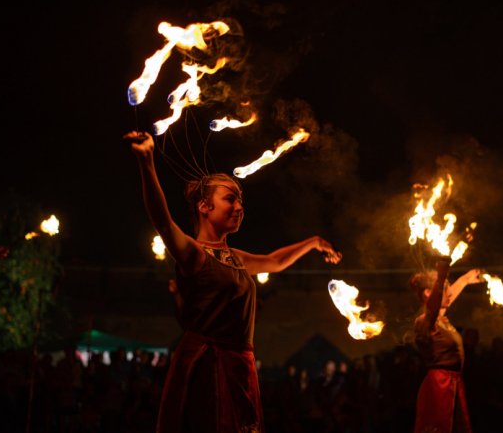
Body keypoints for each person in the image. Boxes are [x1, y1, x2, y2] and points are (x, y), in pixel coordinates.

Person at [123, 130, 342, 433]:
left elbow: (276, 261)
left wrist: (314, 242)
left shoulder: (236, 257)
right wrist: (147, 161)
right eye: (230, 199)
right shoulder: (194, 254)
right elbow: (162, 220)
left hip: (239, 367)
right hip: (208, 368)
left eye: (240, 200)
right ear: (204, 206)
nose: (239, 207)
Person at [410, 257, 482, 433]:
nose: (449, 293)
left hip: (454, 383)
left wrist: (464, 279)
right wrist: (441, 276)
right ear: (428, 293)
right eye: (445, 289)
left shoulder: (440, 318)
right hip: (439, 385)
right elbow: (433, 308)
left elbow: (441, 303)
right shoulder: (424, 322)